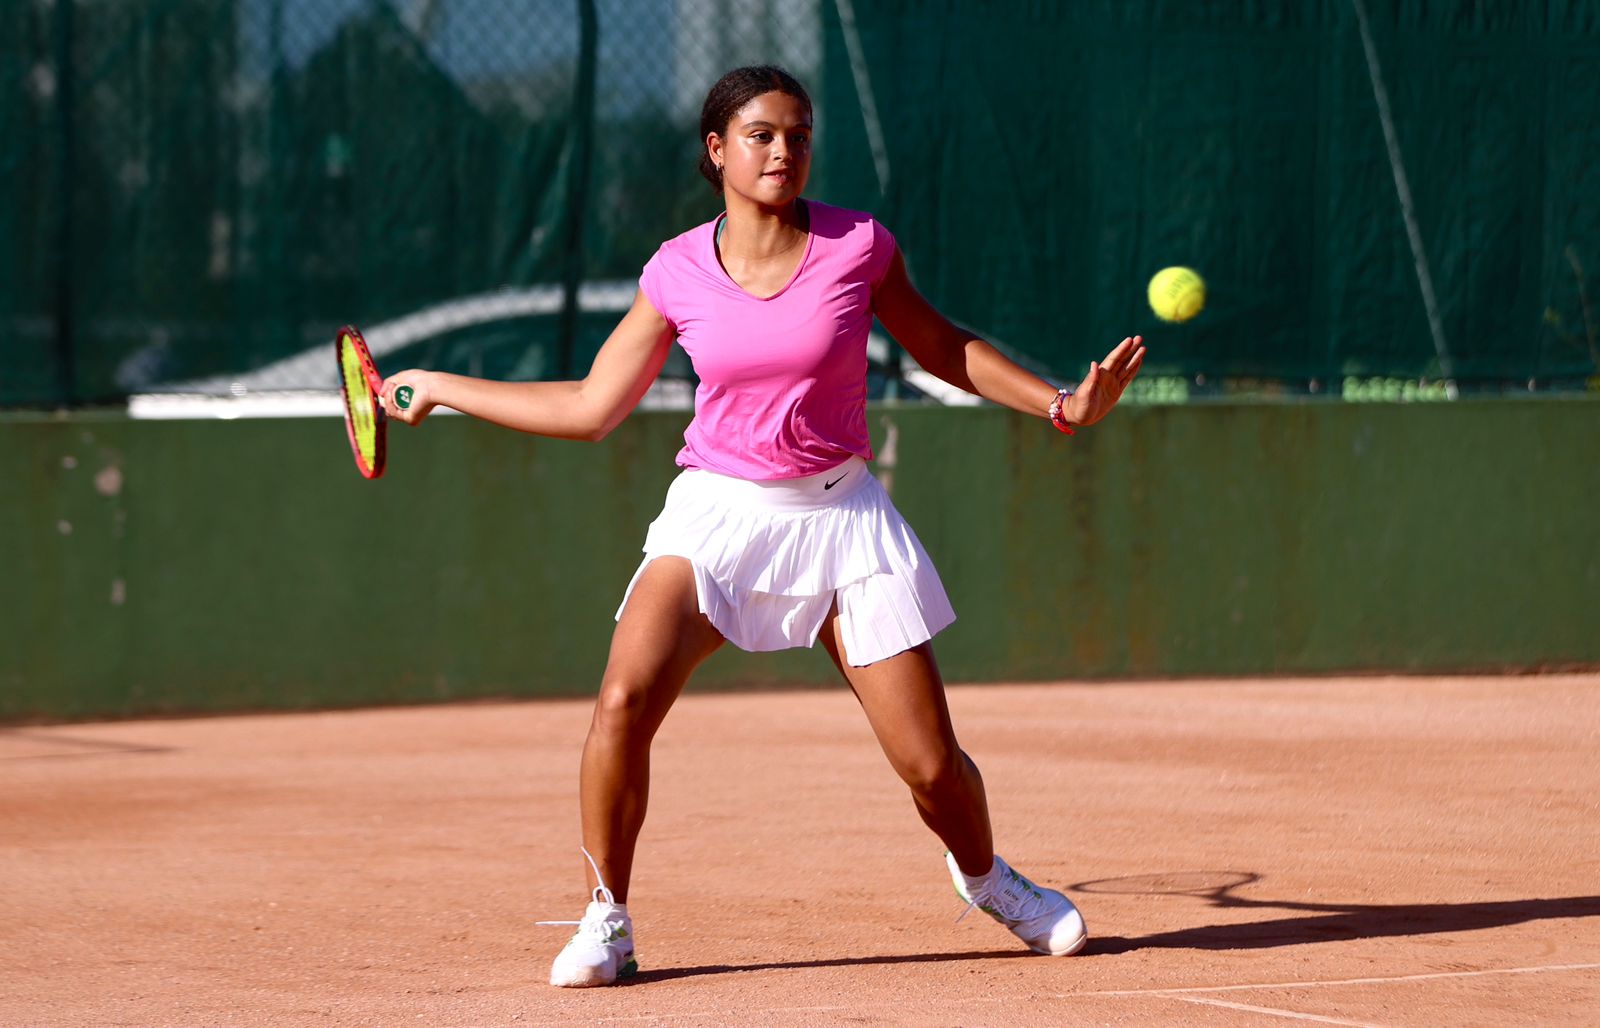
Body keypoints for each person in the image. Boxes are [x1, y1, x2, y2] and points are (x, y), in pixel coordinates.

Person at [380, 65, 1145, 988]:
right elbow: (590, 406)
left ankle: (987, 879)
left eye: (798, 134)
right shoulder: (675, 271)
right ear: (717, 150)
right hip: (716, 517)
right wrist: (442, 388)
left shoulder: (859, 246)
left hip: (841, 519)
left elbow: (941, 346)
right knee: (622, 702)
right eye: (761, 135)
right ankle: (607, 918)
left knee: (933, 766)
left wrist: (1062, 407)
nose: (784, 150)